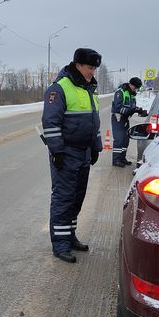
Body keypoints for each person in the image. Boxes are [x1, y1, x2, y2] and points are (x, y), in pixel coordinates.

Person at [42, 47, 103, 263]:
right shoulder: (59, 89)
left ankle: (70, 237)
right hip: (66, 153)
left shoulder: (89, 89)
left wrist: (96, 146)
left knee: (77, 197)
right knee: (63, 198)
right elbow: (51, 124)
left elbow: (94, 121)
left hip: (84, 152)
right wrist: (57, 152)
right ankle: (60, 245)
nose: (92, 71)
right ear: (77, 65)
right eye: (89, 67)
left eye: (95, 68)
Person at [110, 77, 147, 167]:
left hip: (125, 119)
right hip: (118, 118)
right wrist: (131, 110)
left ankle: (122, 158)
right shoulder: (120, 92)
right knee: (119, 139)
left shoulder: (132, 94)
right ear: (131, 84)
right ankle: (116, 160)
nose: (136, 89)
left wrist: (138, 110)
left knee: (125, 140)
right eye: (135, 87)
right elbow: (118, 108)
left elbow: (132, 107)